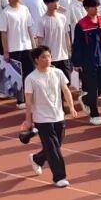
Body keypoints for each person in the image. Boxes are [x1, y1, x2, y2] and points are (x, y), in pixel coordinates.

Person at [24, 45, 77, 188]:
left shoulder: (58, 72)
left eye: (49, 56)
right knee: (53, 149)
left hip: (58, 116)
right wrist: (28, 120)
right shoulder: (31, 78)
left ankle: (37, 159)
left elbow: (65, 90)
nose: (48, 59)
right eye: (43, 57)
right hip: (42, 119)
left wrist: (71, 107)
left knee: (56, 145)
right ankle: (59, 177)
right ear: (36, 60)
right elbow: (28, 101)